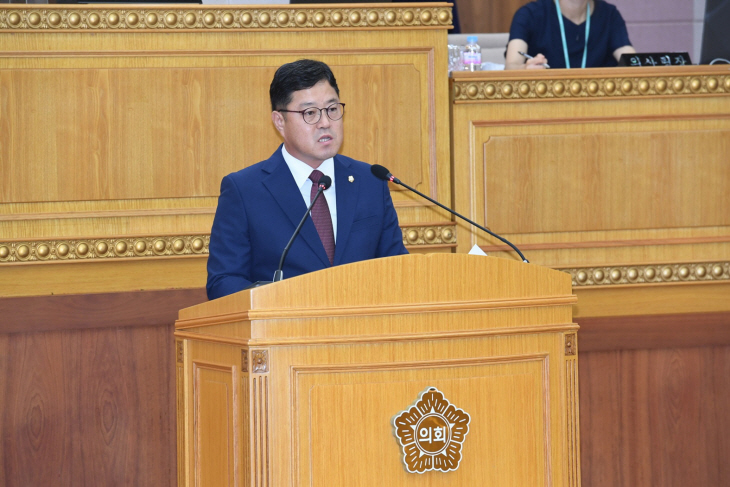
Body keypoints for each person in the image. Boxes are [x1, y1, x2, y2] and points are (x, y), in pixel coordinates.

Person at [206, 59, 408, 300]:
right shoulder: (244, 191)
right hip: (285, 332)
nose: (325, 123)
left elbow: (398, 268)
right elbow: (223, 282)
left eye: (332, 109)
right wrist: (282, 303)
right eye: (310, 113)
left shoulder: (371, 181)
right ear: (280, 121)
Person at [505, 0, 635, 70]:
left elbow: (632, 61)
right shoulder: (528, 15)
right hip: (545, 106)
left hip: (598, 106)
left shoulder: (610, 14)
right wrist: (527, 69)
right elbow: (511, 66)